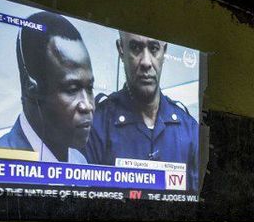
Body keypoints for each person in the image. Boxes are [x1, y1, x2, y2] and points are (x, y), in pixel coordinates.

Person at [85, 31, 200, 193]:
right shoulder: (95, 127)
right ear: (121, 49)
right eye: (135, 48)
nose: (146, 62)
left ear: (164, 51)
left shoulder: (190, 131)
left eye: (154, 48)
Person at [0, 11, 94, 163]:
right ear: (31, 90)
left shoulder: (79, 162)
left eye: (90, 88)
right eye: (72, 89)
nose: (88, 106)